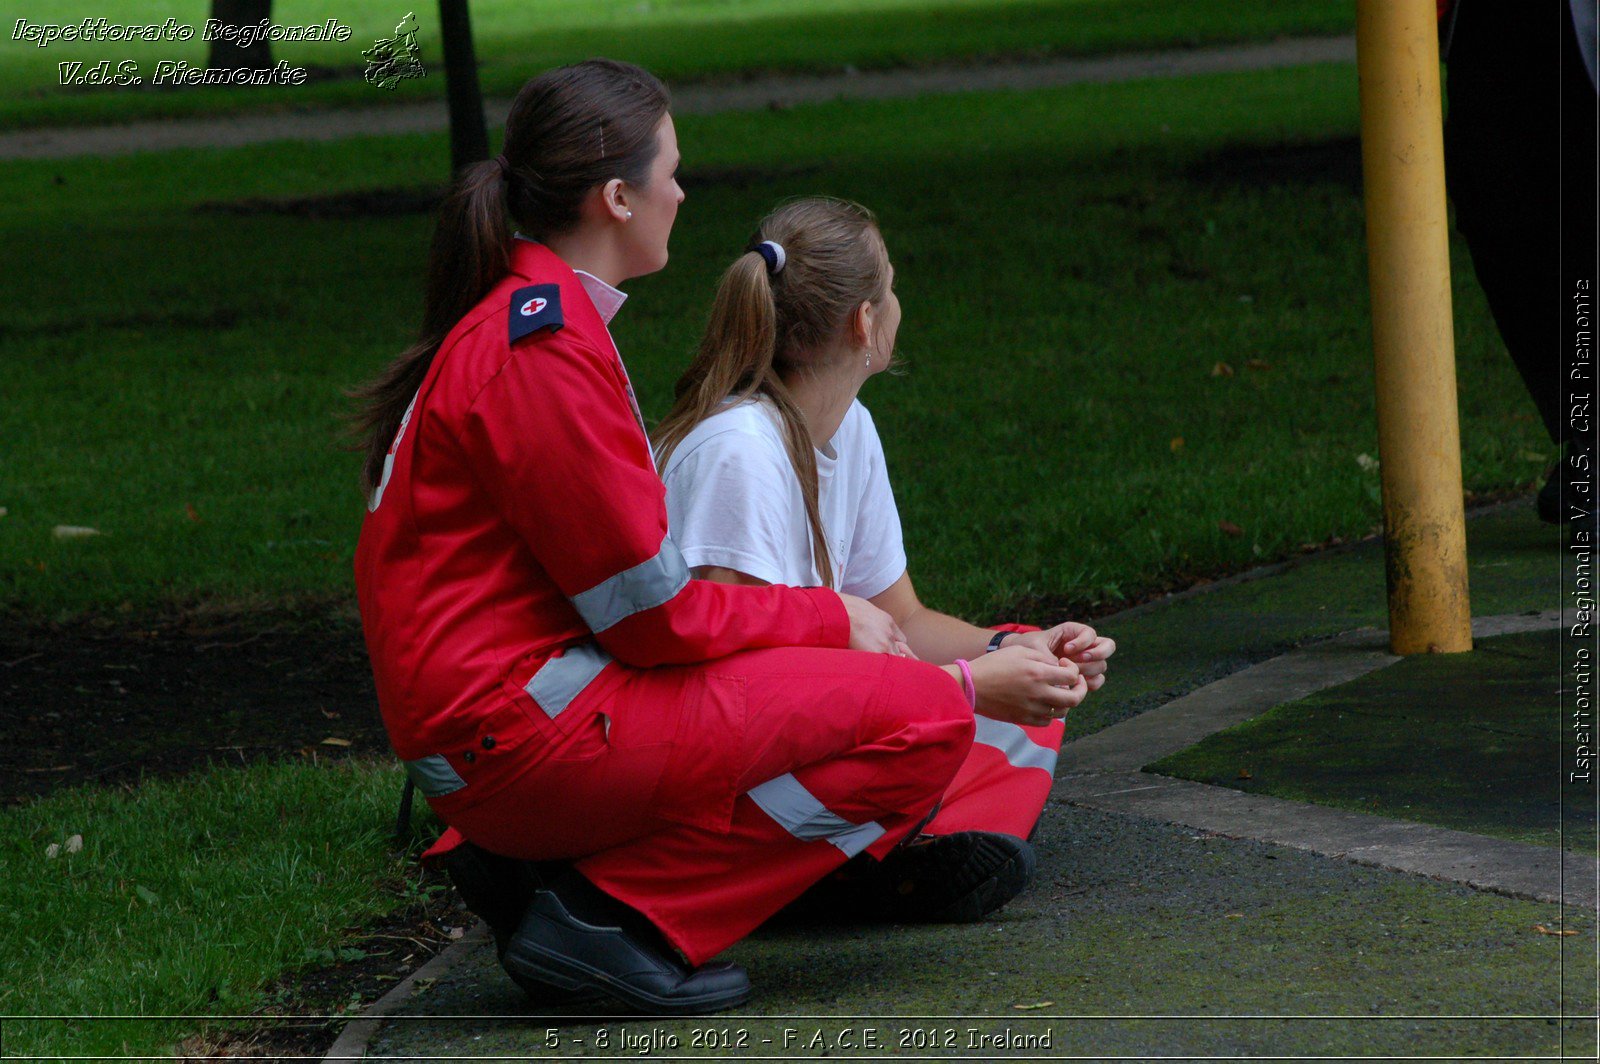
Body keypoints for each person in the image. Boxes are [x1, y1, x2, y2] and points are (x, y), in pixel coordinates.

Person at [350, 61, 1085, 1015]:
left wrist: (915, 643)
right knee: (923, 718)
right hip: (517, 733)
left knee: (919, 703)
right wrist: (843, 627)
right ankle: (611, 916)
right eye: (670, 170)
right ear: (618, 198)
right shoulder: (546, 347)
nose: (684, 192)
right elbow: (653, 620)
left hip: (504, 724)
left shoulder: (536, 320)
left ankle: (572, 883)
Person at [653, 197, 1117, 882]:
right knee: (949, 716)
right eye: (891, 285)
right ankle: (821, 870)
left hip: (811, 732)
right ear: (864, 322)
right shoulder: (739, 452)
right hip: (725, 775)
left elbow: (903, 619)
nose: (898, 300)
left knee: (1029, 675)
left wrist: (1007, 651)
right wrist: (959, 688)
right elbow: (738, 695)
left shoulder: (848, 426)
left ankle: (893, 845)